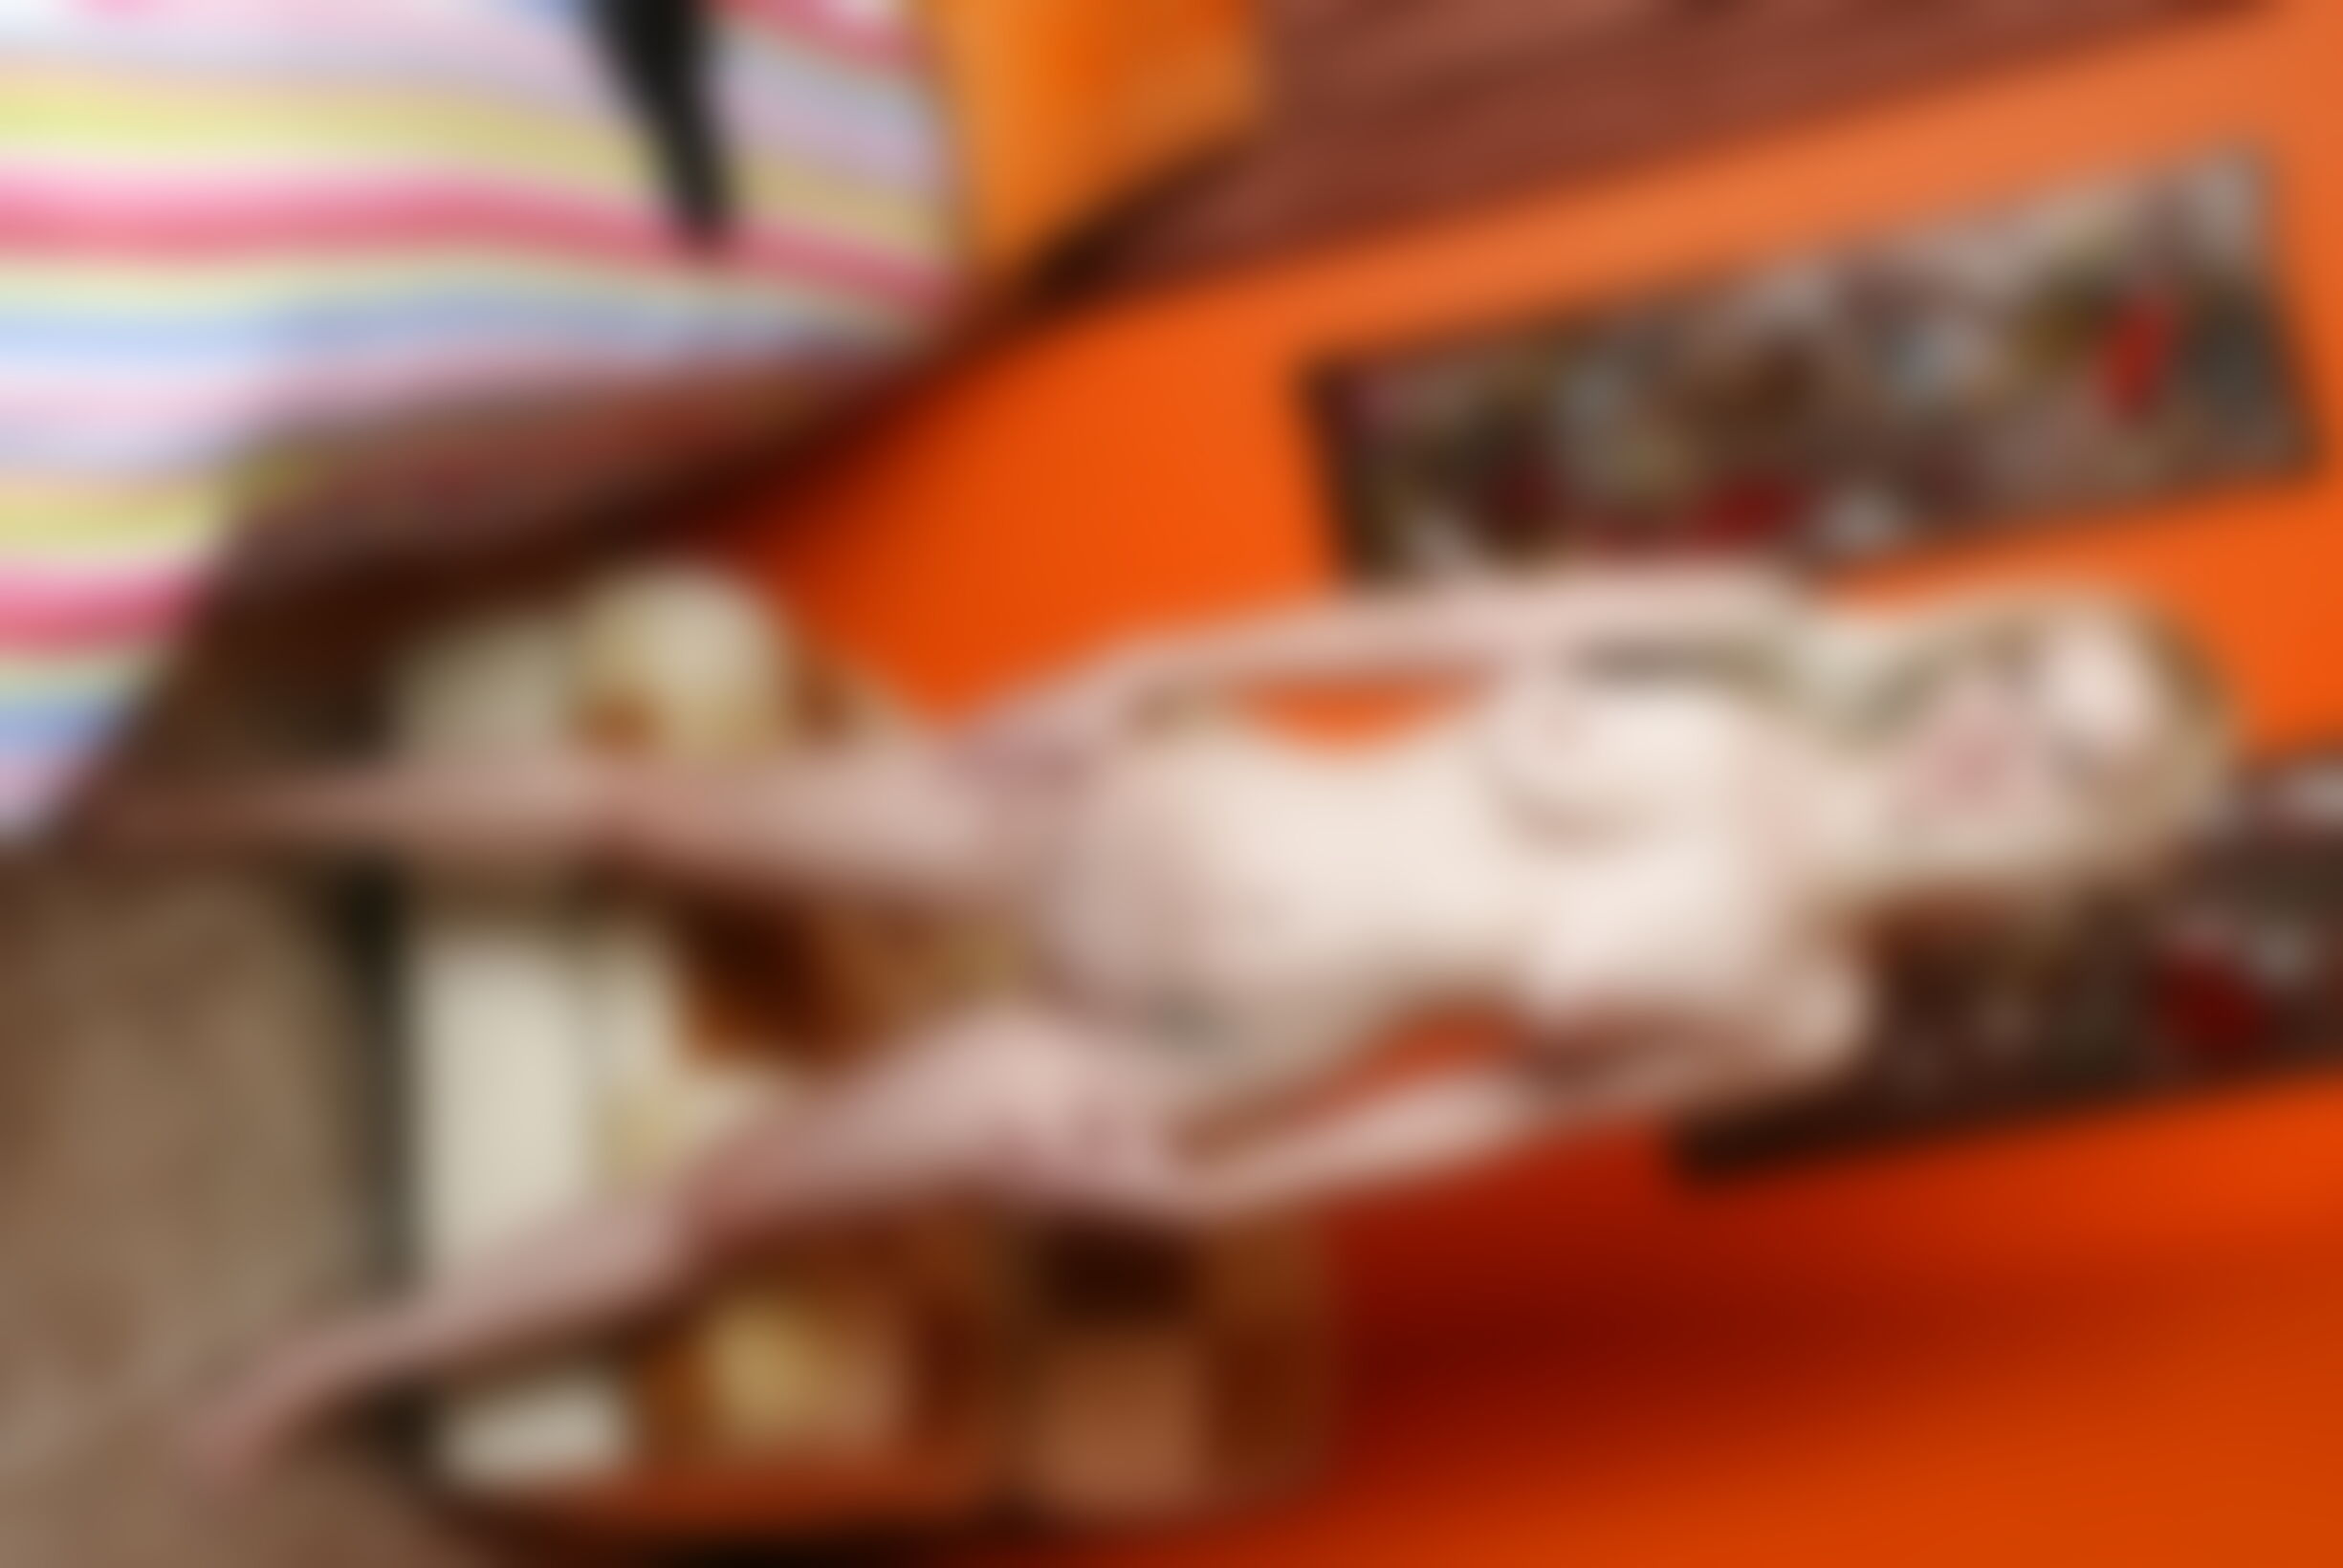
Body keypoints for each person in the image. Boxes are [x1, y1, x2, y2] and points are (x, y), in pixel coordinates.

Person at [92, 564, 2227, 1480]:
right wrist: (1135, 667)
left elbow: (1482, 1115)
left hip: (1191, 1057)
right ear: (1985, 636)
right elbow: (1418, 621)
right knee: (657, 812)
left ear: (2071, 829)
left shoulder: (1807, 1008)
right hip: (1127, 813)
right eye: (2018, 677)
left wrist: (1202, 1185)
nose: (1992, 734)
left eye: (2063, 758)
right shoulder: (1747, 634)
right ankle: (211, 810)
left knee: (742, 1204)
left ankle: (335, 1359)